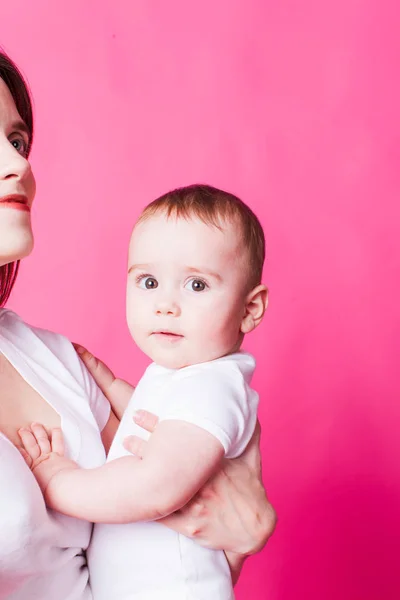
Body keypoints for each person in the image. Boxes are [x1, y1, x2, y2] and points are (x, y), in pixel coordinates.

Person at [0, 49, 276, 600]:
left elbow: (163, 493)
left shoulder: (53, 359)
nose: (20, 165)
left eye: (18, 141)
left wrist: (246, 532)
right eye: (148, 281)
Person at [19, 184, 268, 600]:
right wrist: (114, 387)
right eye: (149, 281)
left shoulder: (213, 385)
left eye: (197, 285)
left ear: (249, 309)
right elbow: (156, 425)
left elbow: (155, 486)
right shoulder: (186, 375)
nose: (165, 304)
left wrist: (56, 480)